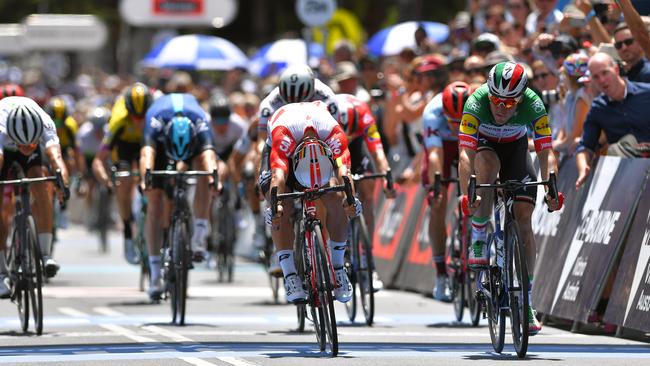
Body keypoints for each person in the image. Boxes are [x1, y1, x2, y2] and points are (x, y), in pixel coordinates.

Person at [458, 62, 564, 335]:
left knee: (524, 220)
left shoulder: (534, 104)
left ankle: (526, 301)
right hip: (485, 148)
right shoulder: (475, 102)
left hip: (517, 150)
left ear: (521, 99)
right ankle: (480, 236)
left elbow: (545, 152)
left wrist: (552, 189)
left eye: (509, 103)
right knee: (488, 167)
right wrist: (466, 194)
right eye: (496, 100)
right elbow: (465, 155)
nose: (501, 108)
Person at [267, 101, 360, 303]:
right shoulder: (283, 134)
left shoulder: (333, 132)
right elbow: (278, 177)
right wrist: (276, 206)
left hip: (319, 155)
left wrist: (349, 199)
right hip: (283, 154)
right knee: (280, 205)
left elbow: (345, 172)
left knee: (336, 198)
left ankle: (337, 268)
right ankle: (290, 274)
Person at [140, 93, 220, 300]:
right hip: (162, 149)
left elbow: (209, 157)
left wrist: (214, 180)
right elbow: (146, 156)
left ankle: (200, 234)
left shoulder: (200, 122)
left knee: (205, 173)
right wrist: (144, 179)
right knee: (155, 201)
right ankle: (155, 272)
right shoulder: (155, 122)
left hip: (191, 142)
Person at [0, 96, 70, 297]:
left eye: (30, 144)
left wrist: (62, 185)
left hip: (29, 148)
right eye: (23, 145)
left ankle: (46, 254)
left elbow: (57, 161)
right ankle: (1, 272)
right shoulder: (1, 127)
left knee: (42, 183)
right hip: (4, 152)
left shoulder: (45, 122)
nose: (26, 148)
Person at [335, 93, 395, 290]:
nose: (349, 135)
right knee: (334, 191)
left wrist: (387, 178)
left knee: (368, 186)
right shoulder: (326, 115)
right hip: (331, 148)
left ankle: (366, 259)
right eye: (347, 132)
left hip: (357, 151)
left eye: (352, 132)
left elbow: (377, 151)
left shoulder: (363, 114)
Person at [422, 81, 473, 302]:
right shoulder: (432, 112)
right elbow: (434, 155)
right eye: (453, 121)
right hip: (442, 147)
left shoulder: (478, 109)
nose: (456, 125)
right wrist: (437, 186)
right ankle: (441, 272)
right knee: (437, 204)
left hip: (469, 143)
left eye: (460, 121)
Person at [93, 83, 154, 265]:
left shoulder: (153, 119)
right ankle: (128, 233)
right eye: (134, 116)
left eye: (142, 116)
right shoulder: (118, 121)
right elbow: (99, 159)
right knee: (124, 182)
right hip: (124, 148)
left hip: (146, 145)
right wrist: (106, 180)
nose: (138, 121)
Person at [575, 52, 650, 188]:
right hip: (627, 179)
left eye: (605, 73)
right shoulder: (597, 108)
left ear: (615, 69)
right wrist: (583, 168)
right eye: (596, 77)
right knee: (617, 148)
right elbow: (584, 147)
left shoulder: (647, 93)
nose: (602, 80)